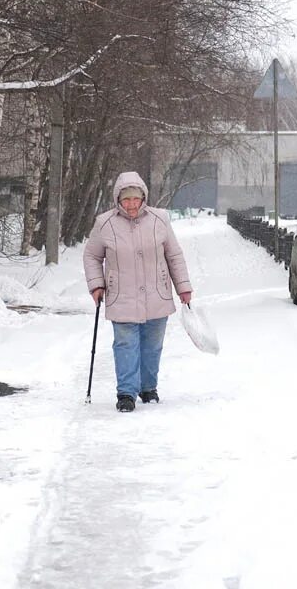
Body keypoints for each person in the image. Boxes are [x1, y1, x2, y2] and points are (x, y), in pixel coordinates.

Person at [83, 171, 193, 412]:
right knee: (125, 344)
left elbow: (174, 255)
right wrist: (97, 284)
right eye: (126, 199)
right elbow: (92, 255)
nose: (131, 204)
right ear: (118, 200)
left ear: (143, 198)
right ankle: (126, 393)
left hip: (157, 293)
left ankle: (148, 387)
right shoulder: (105, 223)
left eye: (135, 199)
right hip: (121, 295)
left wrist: (183, 287)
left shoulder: (159, 219)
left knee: (152, 345)